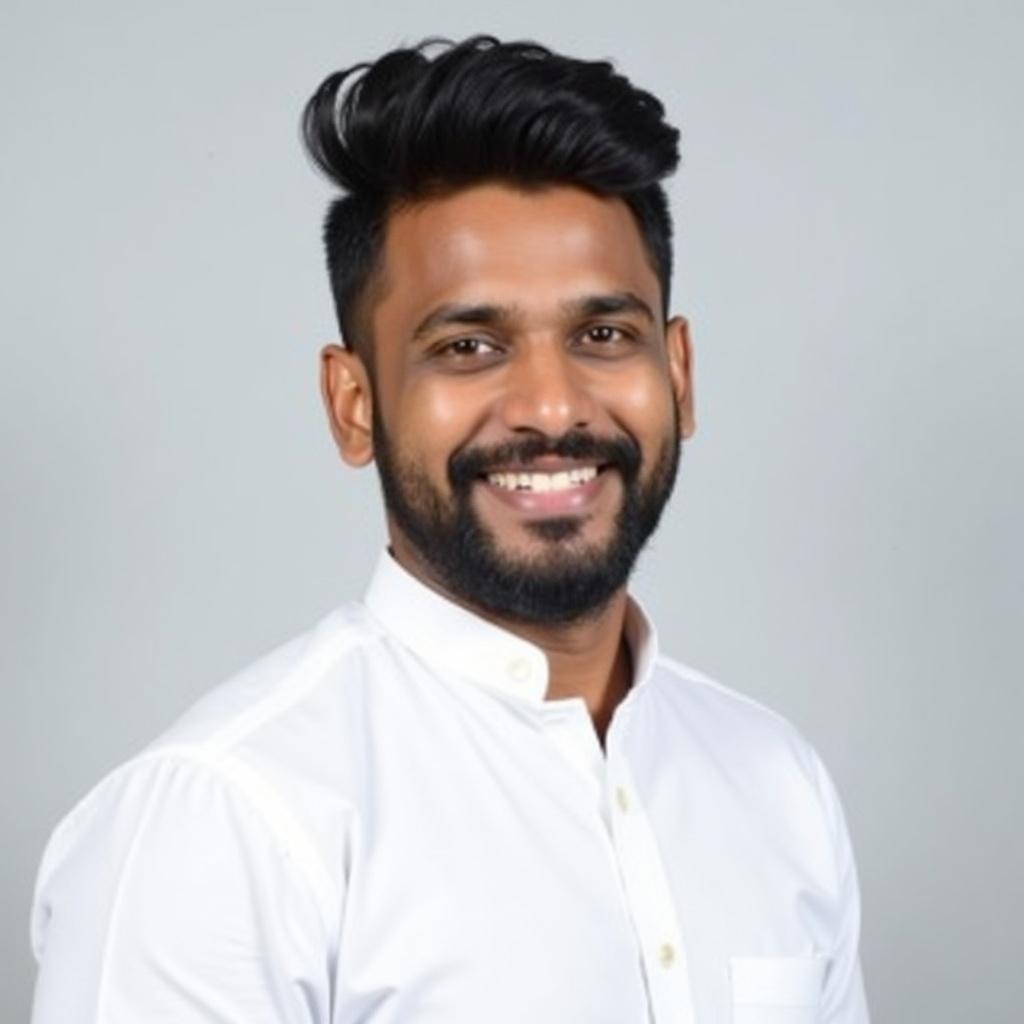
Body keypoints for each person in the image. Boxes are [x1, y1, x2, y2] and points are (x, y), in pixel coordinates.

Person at [29, 35, 870, 1024]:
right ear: (353, 403)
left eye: (604, 335)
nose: (552, 408)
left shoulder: (776, 782)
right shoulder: (222, 822)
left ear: (676, 375)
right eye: (468, 346)